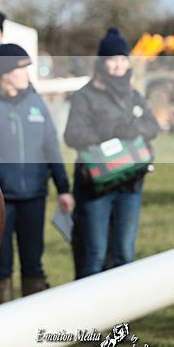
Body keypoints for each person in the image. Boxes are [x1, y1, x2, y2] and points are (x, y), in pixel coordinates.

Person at [0, 44, 74, 307]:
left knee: (33, 261)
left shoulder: (36, 102)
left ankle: (34, 323)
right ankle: (1, 323)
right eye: (22, 68)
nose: (27, 73)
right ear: (5, 72)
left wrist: (63, 188)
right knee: (0, 265)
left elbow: (51, 146)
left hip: (35, 195)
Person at [64, 28, 159, 279]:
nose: (117, 65)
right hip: (96, 185)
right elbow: (72, 134)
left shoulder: (133, 95)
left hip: (130, 185)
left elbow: (152, 126)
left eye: (121, 59)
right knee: (94, 253)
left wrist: (133, 129)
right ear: (102, 62)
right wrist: (110, 133)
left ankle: (122, 315)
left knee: (125, 254)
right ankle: (90, 315)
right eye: (112, 59)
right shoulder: (85, 95)